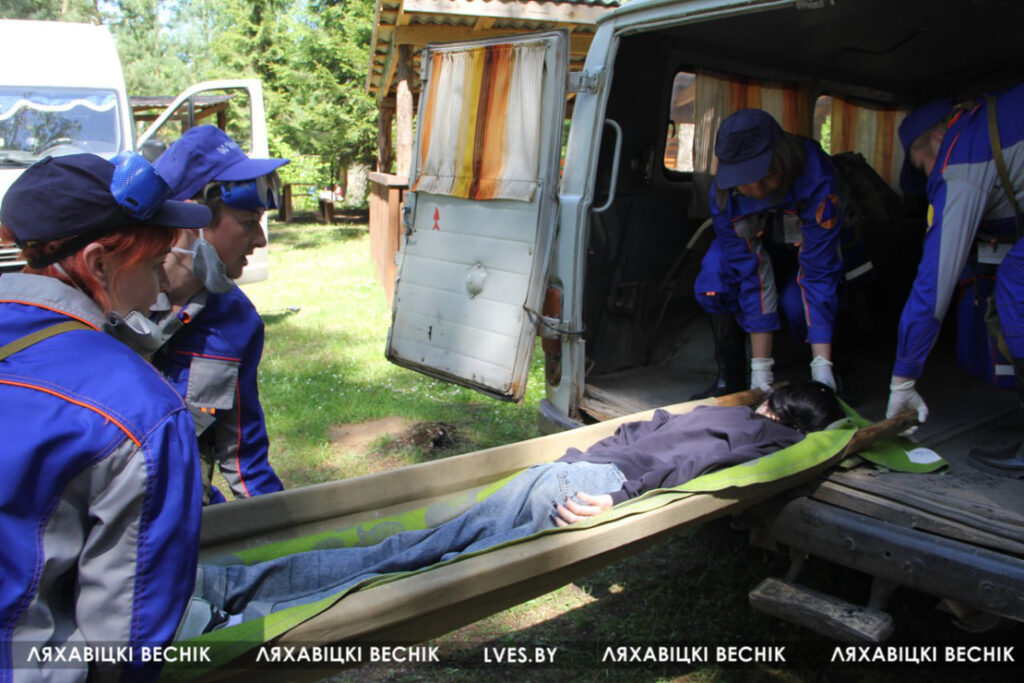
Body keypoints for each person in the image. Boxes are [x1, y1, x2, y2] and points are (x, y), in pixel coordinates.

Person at [183, 383, 840, 631]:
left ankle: (226, 585)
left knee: (406, 550)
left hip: (559, 471)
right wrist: (616, 497)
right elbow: (688, 468)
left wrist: (582, 464)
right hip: (589, 486)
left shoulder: (709, 411)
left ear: (771, 400)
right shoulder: (769, 440)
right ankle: (250, 614)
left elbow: (641, 431)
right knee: (415, 576)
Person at [0, 153, 211, 678]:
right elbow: (125, 642)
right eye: (155, 265)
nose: (161, 288)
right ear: (98, 264)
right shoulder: (141, 410)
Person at [885, 84, 1024, 476]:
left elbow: (934, 283)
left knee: (1017, 282)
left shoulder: (958, 161)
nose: (931, 176)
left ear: (937, 137)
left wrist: (903, 378)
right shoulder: (984, 123)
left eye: (923, 166)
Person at [150, 126, 290, 504]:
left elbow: (244, 459)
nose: (260, 240)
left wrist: (284, 525)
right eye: (248, 222)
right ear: (190, 220)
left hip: (188, 519)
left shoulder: (237, 323)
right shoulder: (113, 303)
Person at [693, 109, 868, 397]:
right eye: (745, 181)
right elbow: (750, 273)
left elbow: (818, 272)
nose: (757, 189)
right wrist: (761, 369)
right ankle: (731, 376)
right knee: (715, 275)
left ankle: (833, 368)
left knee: (797, 304)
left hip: (810, 251)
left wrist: (821, 366)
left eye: (766, 176)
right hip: (763, 251)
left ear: (782, 159)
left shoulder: (816, 176)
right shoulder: (725, 196)